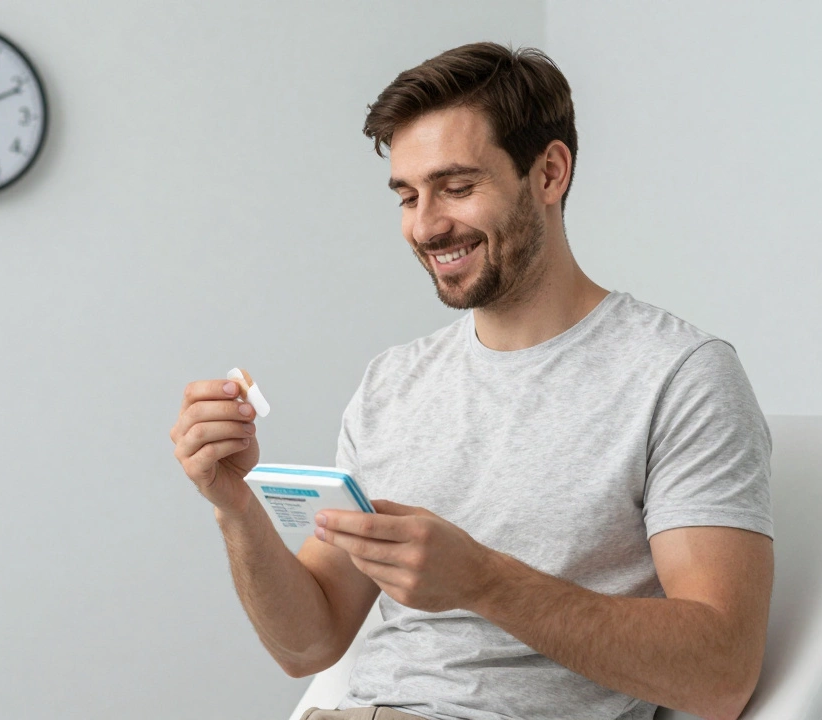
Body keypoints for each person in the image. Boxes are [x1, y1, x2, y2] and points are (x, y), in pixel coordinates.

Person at [169, 42, 773, 720]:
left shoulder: (679, 376)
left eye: (456, 188)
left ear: (549, 173)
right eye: (407, 195)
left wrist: (484, 580)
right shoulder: (393, 382)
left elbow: (721, 675)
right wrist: (234, 509)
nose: (426, 226)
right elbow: (308, 646)